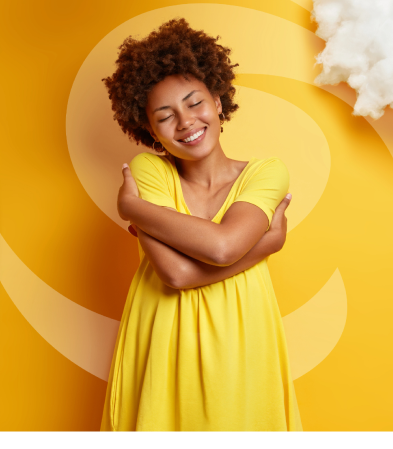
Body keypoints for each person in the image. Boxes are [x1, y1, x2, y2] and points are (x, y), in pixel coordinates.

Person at [100, 18, 303, 432]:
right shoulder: (149, 172)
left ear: (218, 100)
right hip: (162, 344)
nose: (186, 122)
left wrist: (132, 209)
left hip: (242, 344)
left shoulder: (266, 172)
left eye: (195, 103)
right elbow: (175, 274)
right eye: (165, 116)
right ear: (150, 130)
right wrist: (266, 243)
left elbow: (224, 247)